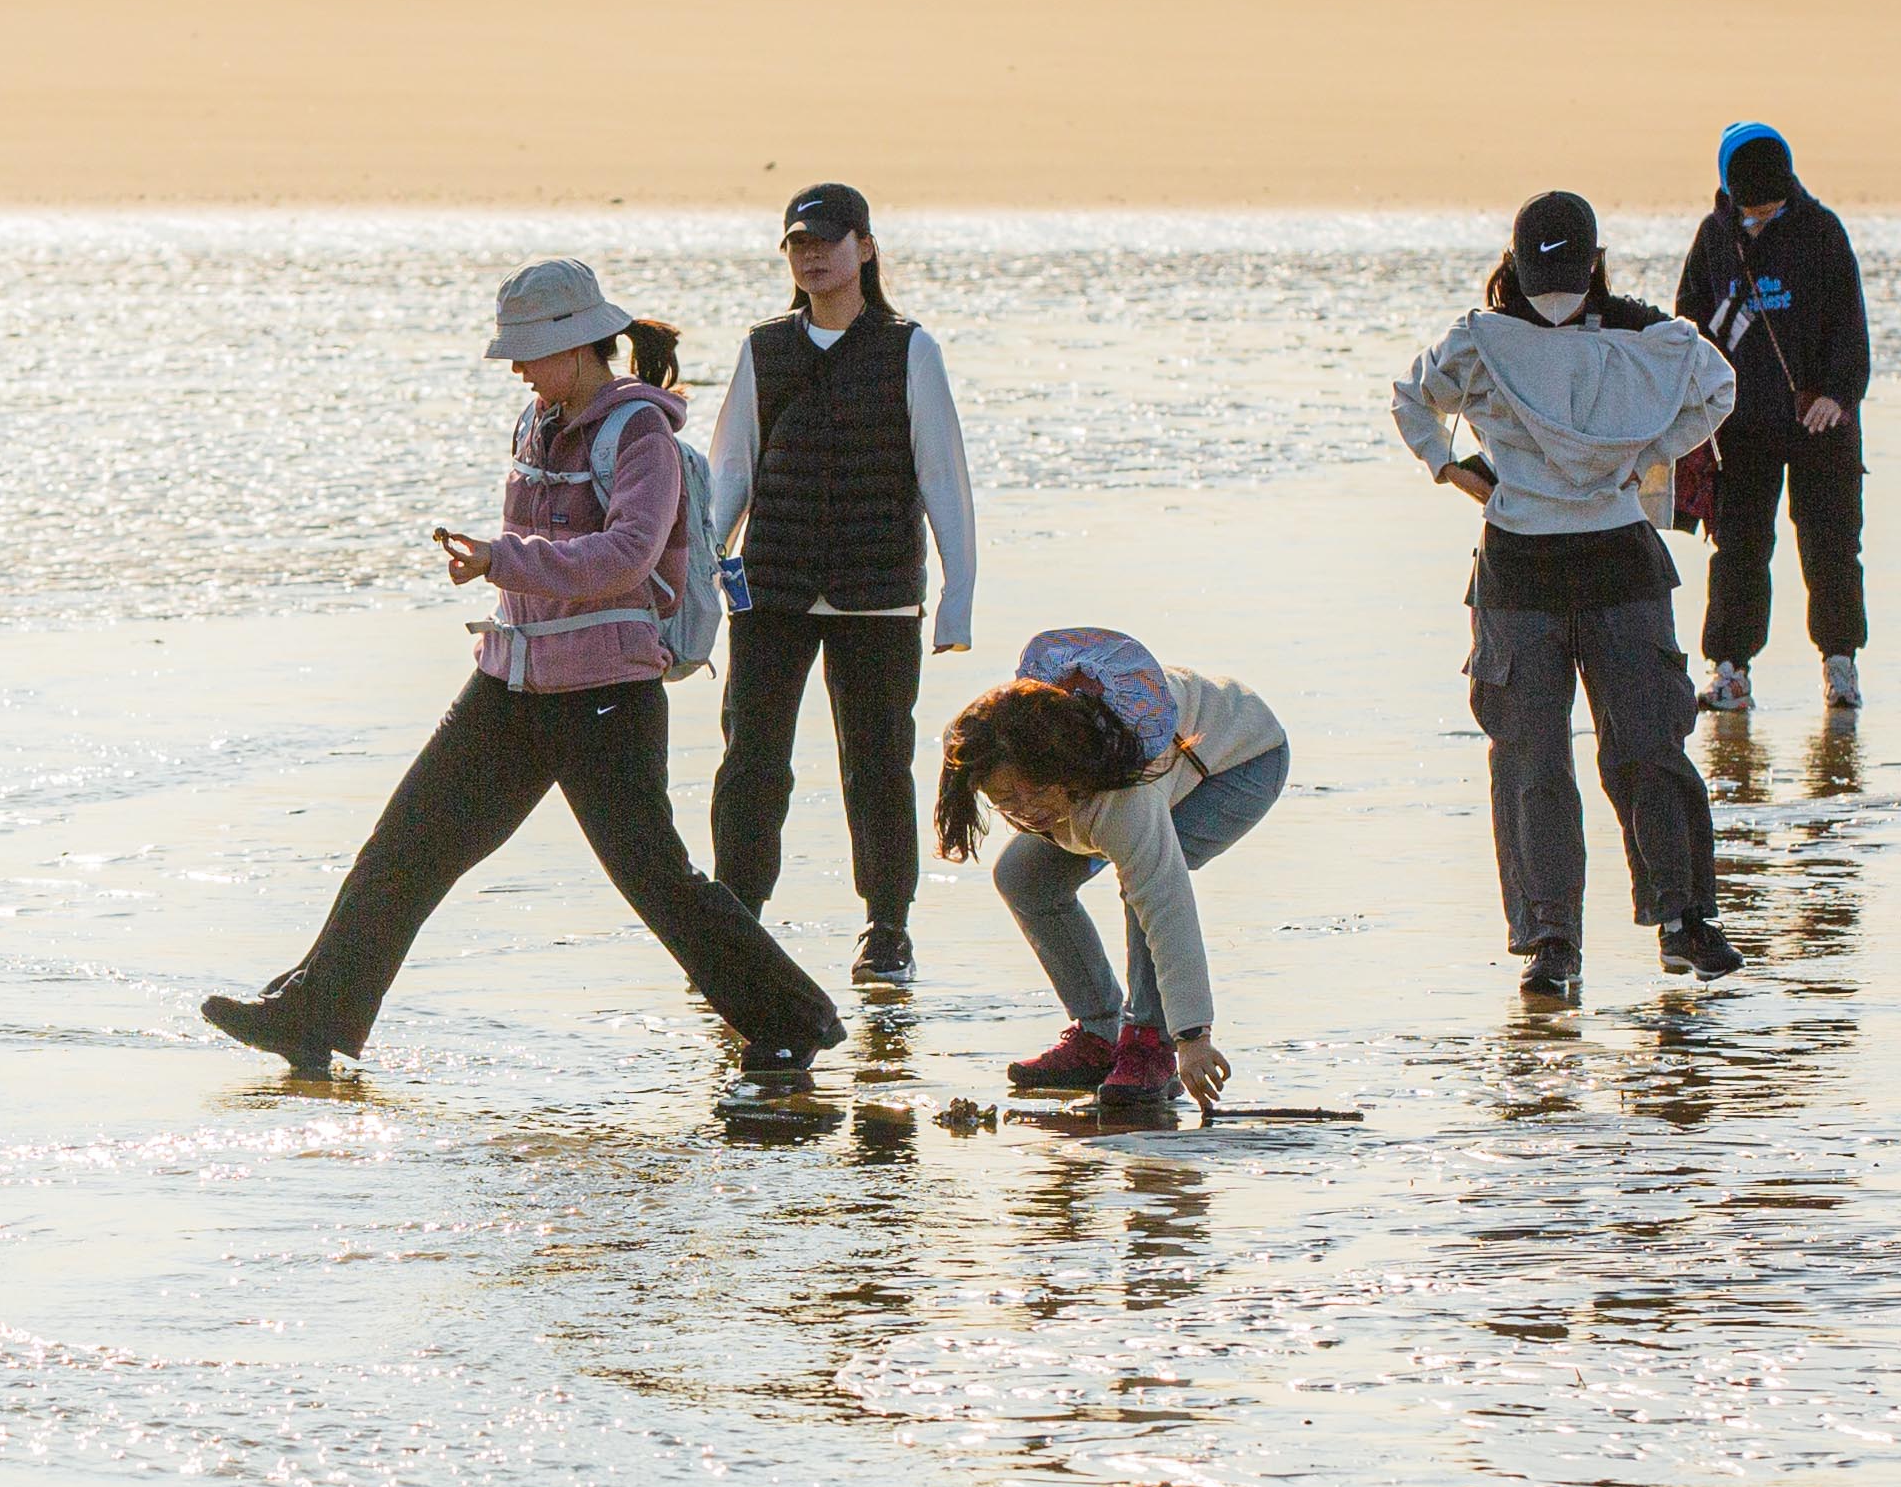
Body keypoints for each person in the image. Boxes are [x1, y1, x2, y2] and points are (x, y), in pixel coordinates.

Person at [204, 263, 841, 1090]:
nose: (516, 369)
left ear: (578, 347)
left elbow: (626, 556)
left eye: (529, 352)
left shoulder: (638, 435)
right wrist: (502, 569)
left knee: (656, 879)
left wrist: (500, 558)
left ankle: (793, 1021)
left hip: (606, 694)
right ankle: (315, 1012)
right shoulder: (535, 421)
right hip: (509, 684)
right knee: (405, 846)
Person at [1390, 194, 1751, 1000]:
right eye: (1540, 277)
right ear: (1517, 271)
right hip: (1518, 566)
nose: (1554, 293)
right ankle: (1550, 940)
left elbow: (1716, 384)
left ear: (1592, 265)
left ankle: (1683, 918)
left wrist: (1646, 457)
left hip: (1620, 559)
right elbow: (1411, 397)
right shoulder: (1479, 340)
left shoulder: (1642, 334)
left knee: (1651, 743)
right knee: (1529, 760)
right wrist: (1450, 469)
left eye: (1566, 274)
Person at [702, 182, 979, 987]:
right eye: (797, 243)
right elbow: (729, 469)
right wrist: (697, 570)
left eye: (827, 240)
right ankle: (735, 922)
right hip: (770, 591)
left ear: (865, 248)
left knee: (877, 764)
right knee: (752, 762)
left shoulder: (908, 349)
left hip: (877, 595)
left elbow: (943, 477)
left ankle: (886, 929)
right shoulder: (764, 348)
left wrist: (956, 593)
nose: (811, 255)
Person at [936, 629, 1289, 1119]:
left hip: (1239, 758)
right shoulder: (995, 743)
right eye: (1006, 800)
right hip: (1137, 778)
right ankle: (1099, 1033)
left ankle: (1150, 1042)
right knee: (1023, 876)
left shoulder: (1123, 800)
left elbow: (1167, 904)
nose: (1026, 811)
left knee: (1141, 888)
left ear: (1064, 769)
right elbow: (1009, 782)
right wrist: (1028, 802)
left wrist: (1194, 1037)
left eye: (1033, 793)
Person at [1667, 121, 1873, 716]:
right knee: (1738, 548)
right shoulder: (1714, 238)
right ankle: (1729, 670)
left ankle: (1840, 665)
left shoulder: (1822, 231)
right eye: (1751, 210)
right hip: (1743, 428)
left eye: (1773, 208)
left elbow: (1849, 326)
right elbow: (1690, 325)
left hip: (1822, 427)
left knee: (1832, 546)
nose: (1762, 217)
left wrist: (1839, 394)